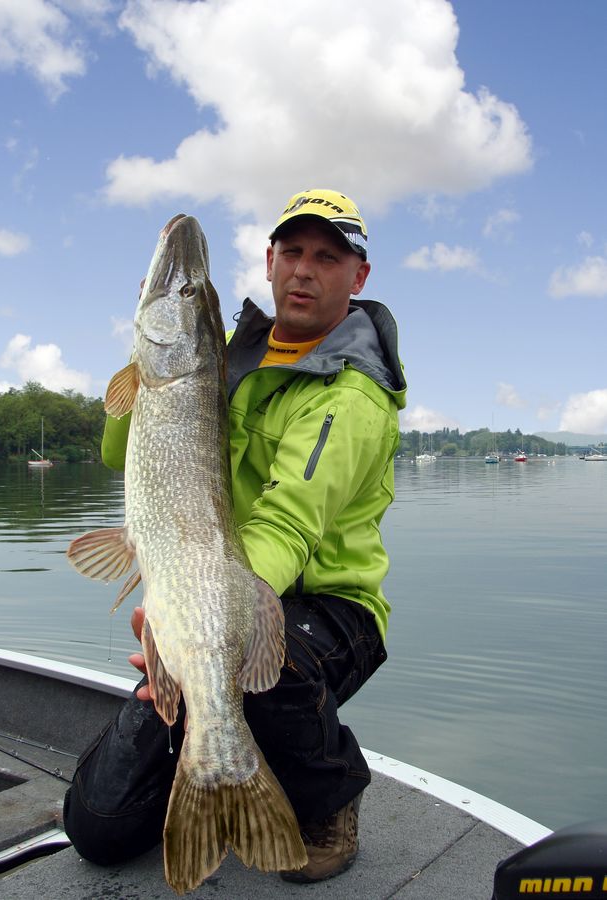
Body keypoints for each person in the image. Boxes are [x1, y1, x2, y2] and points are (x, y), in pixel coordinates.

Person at [63, 188, 407, 884]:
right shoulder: (224, 354)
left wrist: (214, 615)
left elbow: (285, 525)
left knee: (268, 671)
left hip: (328, 614)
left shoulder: (354, 396)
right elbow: (114, 456)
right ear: (270, 260)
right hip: (209, 587)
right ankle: (209, 767)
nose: (303, 271)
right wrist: (145, 359)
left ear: (357, 277)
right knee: (97, 827)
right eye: (292, 252)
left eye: (326, 257)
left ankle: (330, 798)